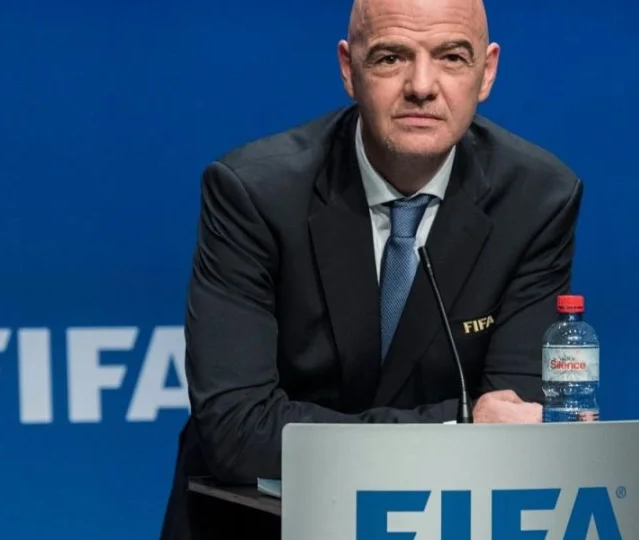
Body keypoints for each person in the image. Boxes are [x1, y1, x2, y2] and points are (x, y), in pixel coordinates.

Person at [159, 0, 583, 537]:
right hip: (259, 523)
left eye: (452, 57)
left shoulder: (536, 200)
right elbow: (238, 432)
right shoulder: (255, 194)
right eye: (391, 57)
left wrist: (472, 430)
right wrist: (457, 426)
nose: (422, 86)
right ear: (348, 68)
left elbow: (515, 433)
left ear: (488, 71)